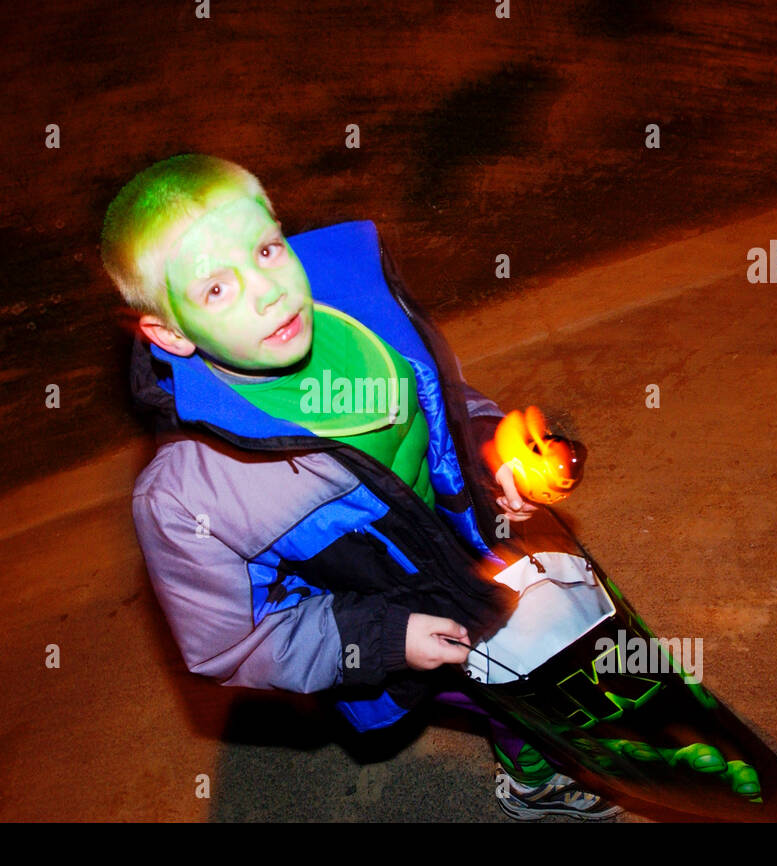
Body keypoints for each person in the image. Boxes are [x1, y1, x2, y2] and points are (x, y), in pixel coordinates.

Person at [101, 153, 621, 820]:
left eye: (266, 248)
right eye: (216, 290)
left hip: (468, 540)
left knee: (568, 639)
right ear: (167, 331)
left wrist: (493, 450)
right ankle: (534, 779)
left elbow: (443, 403)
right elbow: (227, 643)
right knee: (511, 690)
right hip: (391, 615)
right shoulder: (187, 498)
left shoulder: (361, 310)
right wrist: (382, 638)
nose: (268, 291)